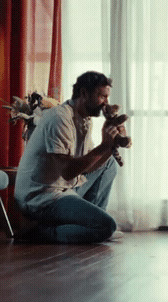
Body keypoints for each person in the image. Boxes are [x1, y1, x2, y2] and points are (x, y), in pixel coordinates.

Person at [14, 71, 125, 243]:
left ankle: (91, 223)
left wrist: (110, 146)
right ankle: (40, 232)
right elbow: (68, 172)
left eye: (107, 98)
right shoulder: (60, 118)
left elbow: (88, 167)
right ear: (84, 93)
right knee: (106, 226)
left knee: (109, 164)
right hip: (41, 197)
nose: (106, 104)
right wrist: (103, 145)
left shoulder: (85, 119)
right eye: (102, 96)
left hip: (64, 190)